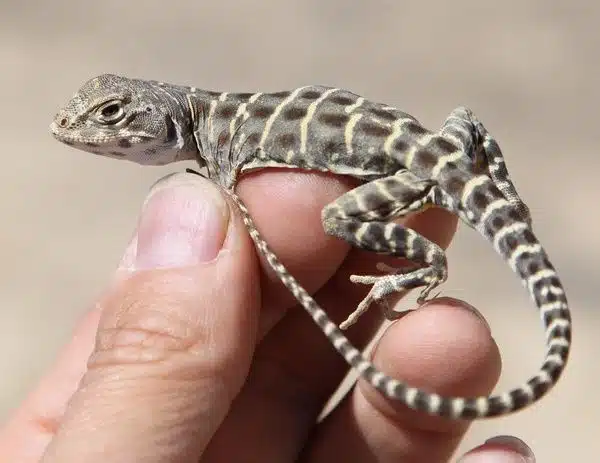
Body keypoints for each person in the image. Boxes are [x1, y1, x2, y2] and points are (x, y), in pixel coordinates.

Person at [0, 171, 535, 462]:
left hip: (412, 168)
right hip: (425, 159)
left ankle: (426, 262)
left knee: (334, 217)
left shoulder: (219, 146)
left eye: (114, 116)